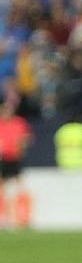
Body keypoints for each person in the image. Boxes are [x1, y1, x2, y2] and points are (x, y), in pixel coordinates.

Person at [0, 97, 32, 228]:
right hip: (2, 159)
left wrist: (21, 145)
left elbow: (26, 138)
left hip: (15, 159)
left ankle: (20, 217)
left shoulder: (19, 123)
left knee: (18, 188)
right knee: (4, 190)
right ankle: (6, 217)